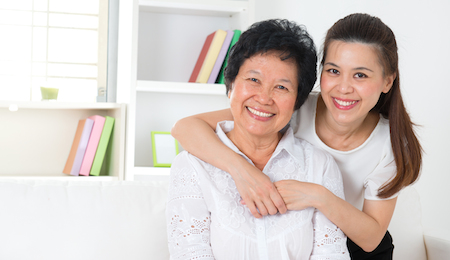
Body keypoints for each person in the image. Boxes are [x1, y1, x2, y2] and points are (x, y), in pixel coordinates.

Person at [171, 13, 423, 259]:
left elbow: (370, 239)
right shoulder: (290, 107)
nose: (344, 88)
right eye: (334, 71)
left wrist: (318, 195)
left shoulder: (389, 144)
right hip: (308, 233)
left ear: (387, 81)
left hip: (358, 244)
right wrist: (243, 171)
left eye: (360, 75)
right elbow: (185, 127)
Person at [166, 19, 350, 259]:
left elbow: (332, 254)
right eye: (253, 80)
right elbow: (190, 254)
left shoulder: (320, 166)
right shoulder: (192, 166)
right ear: (230, 84)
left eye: (282, 87)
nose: (264, 98)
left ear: (297, 101)